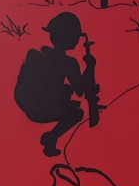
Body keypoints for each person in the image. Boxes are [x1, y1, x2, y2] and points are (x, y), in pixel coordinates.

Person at [14, 12, 97, 156]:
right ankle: (52, 137)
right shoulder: (68, 63)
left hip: (29, 109)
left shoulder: (36, 54)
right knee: (77, 113)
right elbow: (80, 90)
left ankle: (50, 138)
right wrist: (90, 65)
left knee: (67, 95)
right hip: (43, 110)